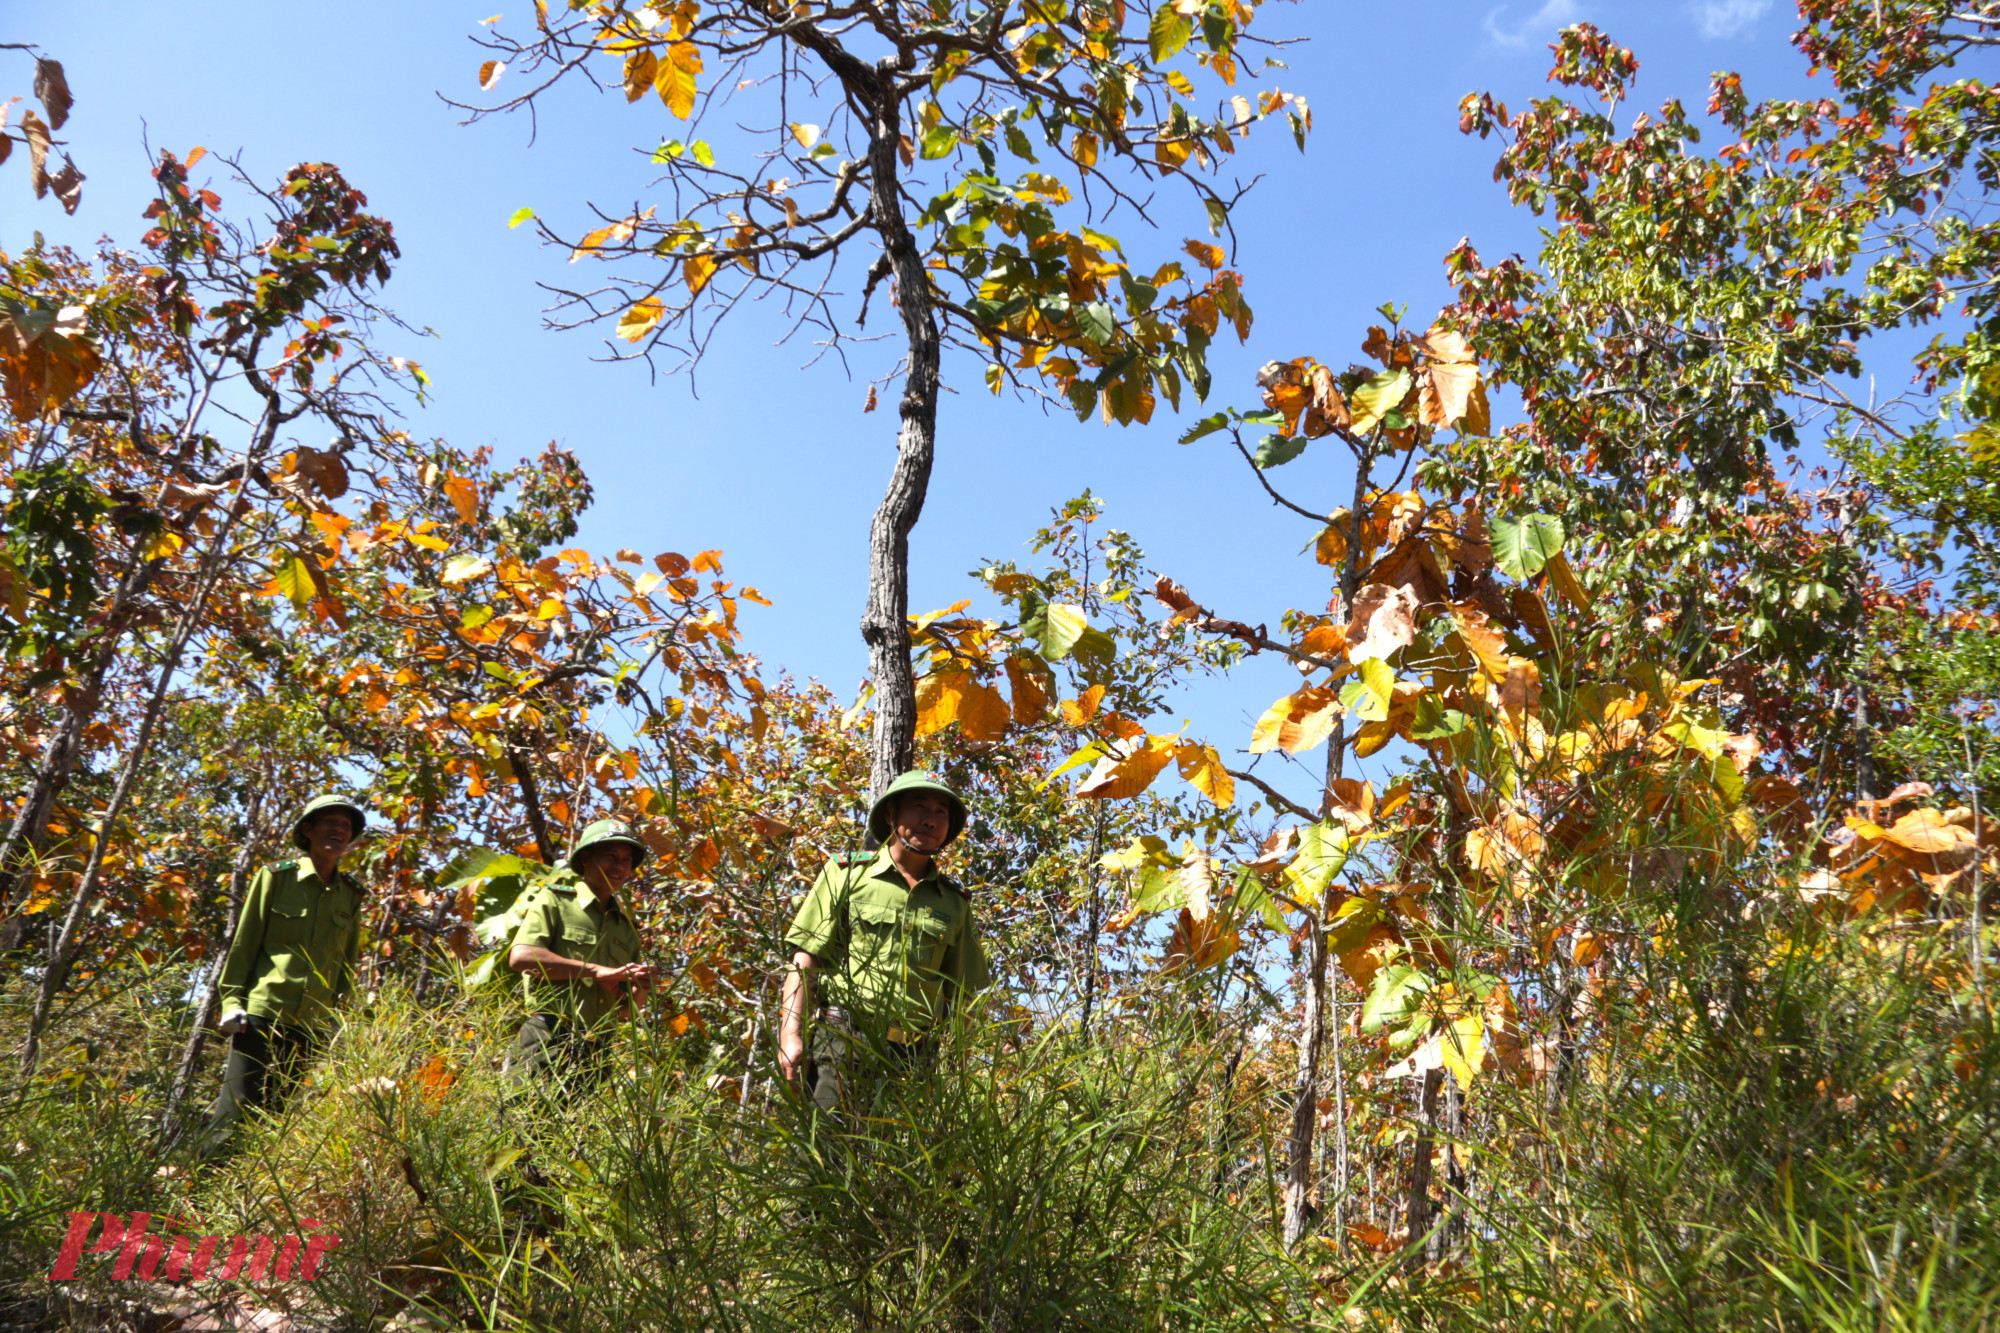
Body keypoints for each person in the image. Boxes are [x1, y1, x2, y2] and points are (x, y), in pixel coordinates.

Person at [778, 771, 989, 1112]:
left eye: (941, 812)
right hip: (844, 1042)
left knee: (901, 1147)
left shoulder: (954, 902)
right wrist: (790, 1035)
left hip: (914, 1057)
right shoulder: (846, 874)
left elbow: (960, 992)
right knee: (829, 1141)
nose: (930, 820)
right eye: (919, 807)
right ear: (891, 814)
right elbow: (806, 960)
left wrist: (956, 1064)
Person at [202, 793, 368, 1151]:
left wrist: (340, 1021)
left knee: (273, 1124)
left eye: (346, 825)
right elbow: (245, 943)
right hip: (261, 1016)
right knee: (234, 1116)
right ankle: (201, 1185)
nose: (339, 830)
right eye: (330, 822)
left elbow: (346, 963)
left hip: (311, 1027)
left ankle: (247, 1188)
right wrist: (231, 1001)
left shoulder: (351, 894)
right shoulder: (276, 877)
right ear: (308, 830)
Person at [504, 818, 656, 1094]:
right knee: (526, 1118)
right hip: (547, 1037)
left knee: (577, 1124)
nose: (620, 866)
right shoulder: (555, 900)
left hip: (596, 1050)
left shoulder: (626, 928)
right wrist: (595, 971)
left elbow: (625, 1013)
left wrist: (641, 990)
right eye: (610, 856)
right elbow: (521, 957)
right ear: (585, 858)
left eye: (626, 860)